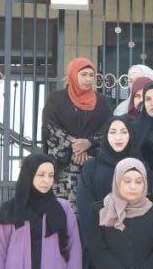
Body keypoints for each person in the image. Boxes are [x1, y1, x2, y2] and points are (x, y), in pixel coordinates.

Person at [75, 116, 148, 269]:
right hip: (100, 252)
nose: (118, 137)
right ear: (106, 135)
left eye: (124, 131)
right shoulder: (92, 168)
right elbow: (85, 211)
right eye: (113, 131)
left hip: (132, 253)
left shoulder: (140, 166)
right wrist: (100, 243)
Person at [41, 58, 113, 205]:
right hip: (63, 168)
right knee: (63, 210)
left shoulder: (103, 102)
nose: (88, 79)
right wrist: (74, 145)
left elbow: (109, 128)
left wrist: (89, 142)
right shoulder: (56, 99)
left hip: (92, 165)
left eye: (91, 75)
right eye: (83, 74)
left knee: (91, 209)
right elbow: (50, 127)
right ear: (73, 75)